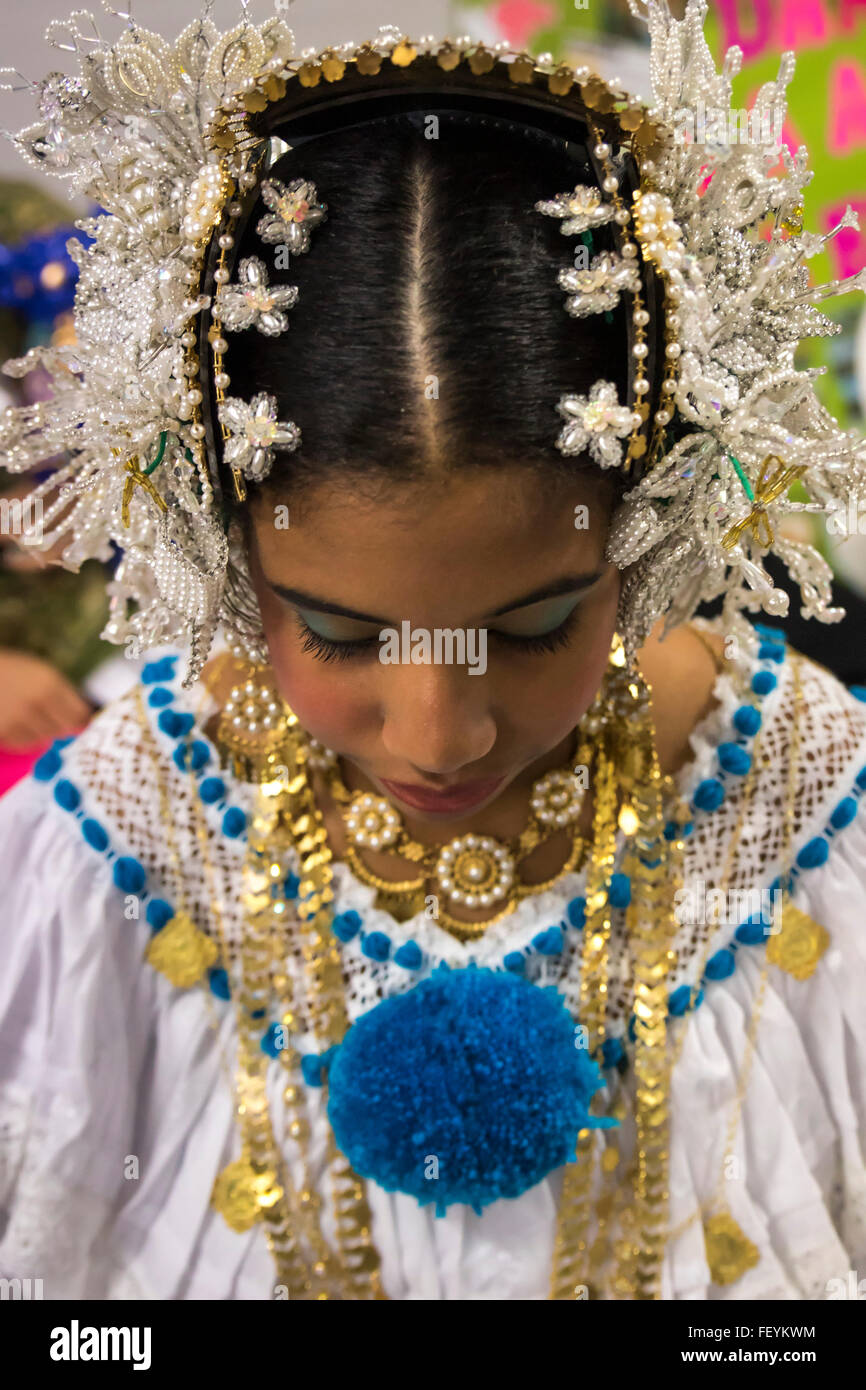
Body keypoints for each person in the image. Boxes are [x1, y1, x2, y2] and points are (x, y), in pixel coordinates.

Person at [0, 1, 864, 1302]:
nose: (436, 731)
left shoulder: (812, 831)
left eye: (531, 628)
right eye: (340, 633)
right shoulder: (113, 849)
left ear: (657, 525)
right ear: (220, 546)